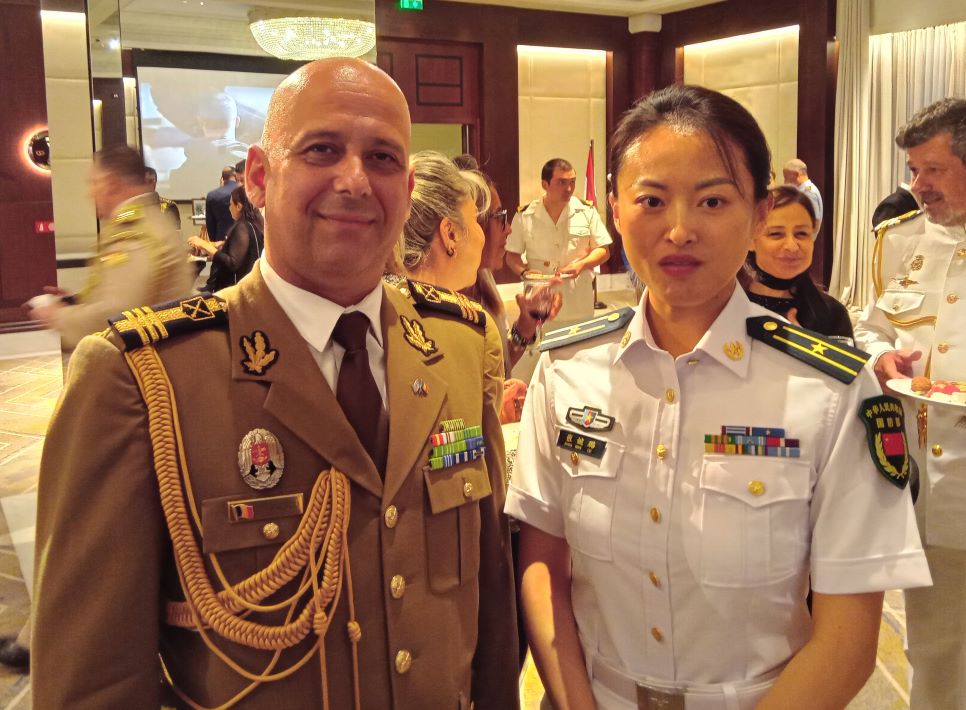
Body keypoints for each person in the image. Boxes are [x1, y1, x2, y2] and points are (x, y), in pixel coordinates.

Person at [32, 58, 518, 709]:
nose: (354, 180)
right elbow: (93, 683)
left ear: (405, 191)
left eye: (381, 158)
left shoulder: (460, 343)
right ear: (259, 177)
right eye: (322, 150)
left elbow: (489, 606)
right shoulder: (143, 380)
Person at [507, 84, 931, 710]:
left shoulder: (830, 393)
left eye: (712, 200)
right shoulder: (567, 369)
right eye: (651, 200)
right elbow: (543, 560)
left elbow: (847, 640)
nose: (679, 230)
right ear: (616, 211)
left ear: (758, 214)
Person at [853, 97, 966, 710]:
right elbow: (871, 327)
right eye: (914, 171)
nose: (918, 185)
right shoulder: (899, 241)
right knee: (935, 646)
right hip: (930, 481)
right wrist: (879, 357)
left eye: (933, 170)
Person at [27, 146, 195, 351]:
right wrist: (74, 301)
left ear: (111, 184)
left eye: (94, 183)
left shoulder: (132, 231)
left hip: (146, 362)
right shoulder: (151, 219)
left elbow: (119, 314)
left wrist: (57, 316)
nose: (90, 193)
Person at [741, 184, 854, 342]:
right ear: (751, 240)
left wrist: (806, 349)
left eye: (801, 233)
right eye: (776, 234)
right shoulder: (726, 307)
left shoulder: (832, 314)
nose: (792, 246)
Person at [505, 158, 611, 324]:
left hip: (578, 301)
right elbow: (512, 256)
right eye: (562, 182)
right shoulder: (525, 215)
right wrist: (524, 272)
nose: (569, 188)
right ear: (545, 185)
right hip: (541, 301)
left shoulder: (586, 212)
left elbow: (603, 250)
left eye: (572, 182)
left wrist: (581, 265)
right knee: (541, 339)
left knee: (580, 339)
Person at [187, 185, 263, 291]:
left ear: (239, 206)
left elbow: (232, 263)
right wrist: (223, 244)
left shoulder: (242, 226)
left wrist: (204, 245)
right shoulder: (255, 223)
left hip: (238, 290)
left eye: (231, 204)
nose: (229, 208)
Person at [200, 166, 240, 289]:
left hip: (220, 233)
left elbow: (210, 221)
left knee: (219, 262)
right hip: (242, 233)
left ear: (223, 178)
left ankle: (213, 285)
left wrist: (213, 240)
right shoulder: (243, 191)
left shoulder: (212, 195)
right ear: (235, 176)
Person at [783, 158, 823, 234]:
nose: (785, 182)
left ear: (797, 175)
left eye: (786, 178)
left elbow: (814, 220)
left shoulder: (809, 192)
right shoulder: (804, 190)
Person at [145, 165, 182, 230]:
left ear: (154, 183)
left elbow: (175, 232)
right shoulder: (132, 206)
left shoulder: (168, 206)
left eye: (149, 181)